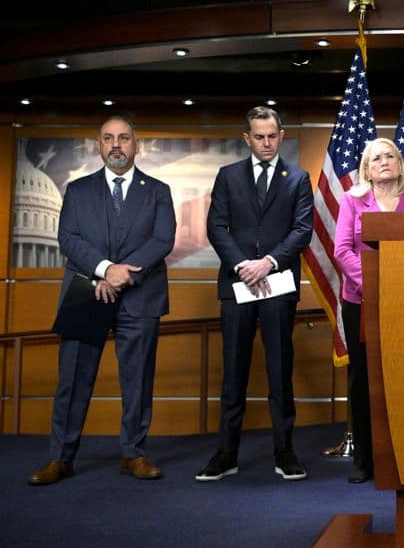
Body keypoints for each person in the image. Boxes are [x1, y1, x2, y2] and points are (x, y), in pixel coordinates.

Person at [28, 115, 176, 485]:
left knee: (137, 379)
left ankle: (134, 454)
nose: (116, 144)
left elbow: (163, 240)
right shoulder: (78, 190)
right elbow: (69, 238)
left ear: (136, 145)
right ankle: (60, 458)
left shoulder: (158, 190)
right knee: (73, 380)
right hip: (86, 292)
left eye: (124, 138)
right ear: (99, 145)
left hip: (140, 295)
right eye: (108, 138)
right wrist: (106, 268)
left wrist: (126, 274)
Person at [196, 106, 313, 482]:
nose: (266, 142)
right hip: (238, 285)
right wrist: (243, 265)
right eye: (258, 136)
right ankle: (226, 454)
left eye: (272, 135)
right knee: (234, 373)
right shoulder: (228, 176)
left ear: (281, 136)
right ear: (247, 138)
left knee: (280, 371)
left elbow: (302, 230)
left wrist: (267, 263)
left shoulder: (297, 178)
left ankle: (285, 452)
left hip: (277, 285)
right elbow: (217, 227)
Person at [333, 138, 404, 484]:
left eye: (389, 156)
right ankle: (365, 460)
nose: (383, 162)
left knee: (403, 378)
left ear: (399, 164)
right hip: (361, 302)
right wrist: (373, 283)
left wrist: (397, 287)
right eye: (375, 158)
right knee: (363, 379)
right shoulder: (352, 202)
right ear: (366, 168)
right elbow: (341, 250)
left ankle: (402, 458)